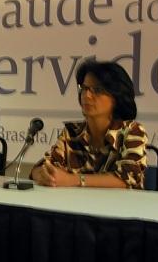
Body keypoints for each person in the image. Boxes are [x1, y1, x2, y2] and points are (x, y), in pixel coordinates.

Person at [30, 59, 147, 189]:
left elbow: (128, 179)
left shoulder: (132, 131)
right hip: (74, 206)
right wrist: (43, 175)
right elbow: (44, 167)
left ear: (116, 96)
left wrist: (73, 180)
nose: (87, 95)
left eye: (97, 90)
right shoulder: (72, 132)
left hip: (120, 207)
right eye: (84, 88)